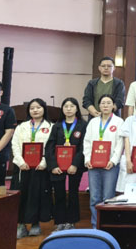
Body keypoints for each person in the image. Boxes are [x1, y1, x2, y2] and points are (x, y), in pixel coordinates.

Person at [11, 98, 53, 239]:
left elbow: (51, 147)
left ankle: (36, 224)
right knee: (21, 196)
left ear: (44, 109)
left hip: (40, 168)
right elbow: (15, 145)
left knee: (37, 195)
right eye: (32, 108)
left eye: (38, 107)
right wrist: (20, 162)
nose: (35, 110)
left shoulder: (51, 127)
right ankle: (21, 225)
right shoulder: (21, 126)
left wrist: (44, 162)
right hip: (23, 168)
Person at [46, 97, 86, 232]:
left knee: (73, 193)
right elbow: (49, 147)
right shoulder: (57, 126)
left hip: (75, 166)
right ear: (62, 109)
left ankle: (71, 221)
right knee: (59, 193)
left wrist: (75, 164)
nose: (69, 109)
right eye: (66, 106)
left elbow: (83, 147)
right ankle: (60, 221)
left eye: (72, 106)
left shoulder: (83, 125)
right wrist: (53, 166)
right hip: (58, 166)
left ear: (77, 108)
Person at [83, 95, 124, 228]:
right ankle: (96, 225)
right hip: (93, 165)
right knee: (94, 197)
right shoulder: (93, 122)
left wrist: (113, 160)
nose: (105, 105)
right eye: (103, 103)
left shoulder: (119, 122)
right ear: (99, 106)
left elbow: (120, 143)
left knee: (108, 197)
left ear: (113, 106)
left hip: (110, 165)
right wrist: (87, 159)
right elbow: (87, 142)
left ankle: (107, 226)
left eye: (108, 103)